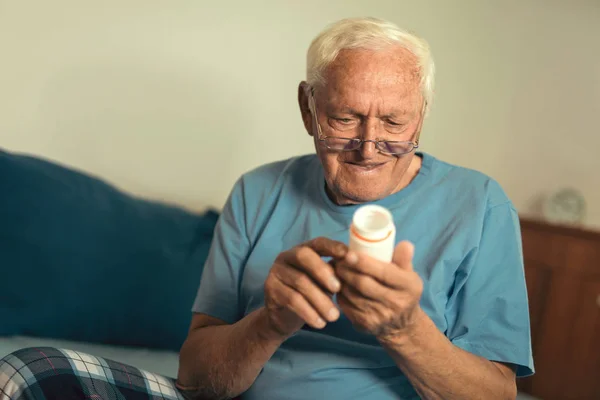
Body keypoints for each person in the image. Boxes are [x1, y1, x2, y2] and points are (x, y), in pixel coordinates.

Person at [0, 17, 533, 400]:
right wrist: (272, 320)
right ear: (308, 107)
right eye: (345, 118)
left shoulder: (481, 204)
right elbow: (197, 378)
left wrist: (403, 330)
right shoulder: (259, 191)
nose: (369, 147)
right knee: (29, 372)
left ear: (420, 118)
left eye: (394, 123)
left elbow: (497, 394)